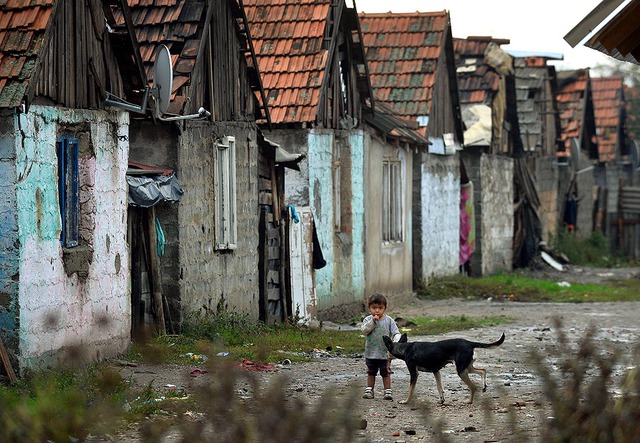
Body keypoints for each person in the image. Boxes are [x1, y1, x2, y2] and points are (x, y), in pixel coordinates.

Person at [361, 293, 401, 400]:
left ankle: (387, 391)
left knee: (386, 372)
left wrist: (395, 343)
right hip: (371, 352)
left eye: (380, 308)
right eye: (374, 308)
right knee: (371, 372)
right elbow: (364, 330)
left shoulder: (389, 320)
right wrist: (372, 322)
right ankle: (369, 390)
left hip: (385, 353)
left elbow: (396, 333)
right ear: (369, 308)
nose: (377, 311)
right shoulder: (367, 320)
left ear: (385, 308)